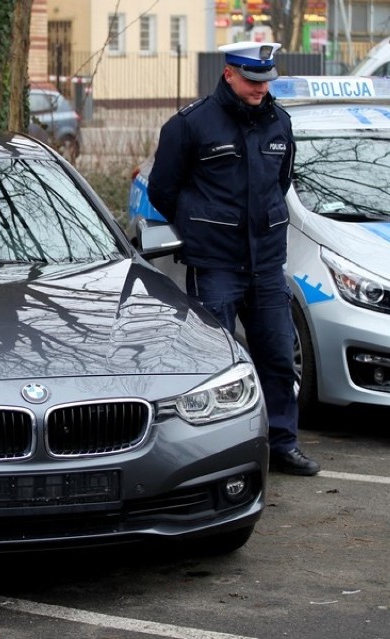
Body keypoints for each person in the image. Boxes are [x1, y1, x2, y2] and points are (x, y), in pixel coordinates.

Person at [147, 41, 320, 476]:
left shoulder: (280, 122)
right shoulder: (190, 124)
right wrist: (202, 225)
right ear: (228, 73)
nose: (261, 87)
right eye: (252, 79)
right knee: (215, 367)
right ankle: (221, 453)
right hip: (215, 265)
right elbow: (163, 189)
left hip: (265, 265)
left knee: (278, 360)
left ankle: (282, 443)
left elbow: (279, 184)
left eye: (266, 80)